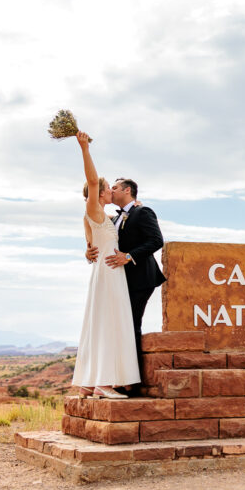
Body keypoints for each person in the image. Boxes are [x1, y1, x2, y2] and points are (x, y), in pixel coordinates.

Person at [71, 131, 140, 398]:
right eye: (108, 187)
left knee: (102, 322)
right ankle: (104, 383)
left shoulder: (103, 217)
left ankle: (90, 382)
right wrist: (84, 148)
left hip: (108, 271)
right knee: (110, 322)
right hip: (110, 272)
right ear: (98, 193)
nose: (111, 190)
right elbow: (91, 178)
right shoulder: (94, 210)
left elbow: (92, 247)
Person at [86, 177, 167, 396]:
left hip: (141, 278)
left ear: (127, 190)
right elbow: (104, 240)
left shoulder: (143, 212)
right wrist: (89, 251)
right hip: (119, 282)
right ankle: (119, 378)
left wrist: (129, 256)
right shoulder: (115, 218)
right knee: (120, 326)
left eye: (115, 187)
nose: (111, 191)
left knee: (131, 325)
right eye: (109, 188)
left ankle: (132, 383)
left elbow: (156, 241)